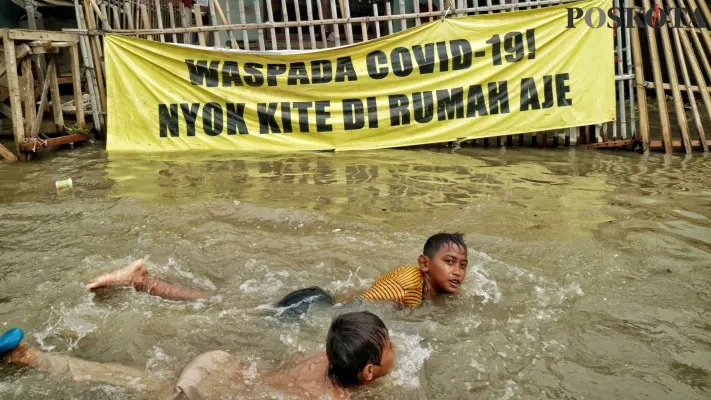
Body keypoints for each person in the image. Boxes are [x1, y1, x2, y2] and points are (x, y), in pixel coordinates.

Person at [0, 311, 395, 399]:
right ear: (367, 372)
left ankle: (28, 356)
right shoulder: (333, 396)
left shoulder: (325, 353)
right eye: (390, 344)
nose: (395, 347)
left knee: (130, 378)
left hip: (218, 364)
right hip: (209, 393)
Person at [85, 232, 469, 311]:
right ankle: (143, 282)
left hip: (321, 298)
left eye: (462, 266)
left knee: (223, 303)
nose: (457, 272)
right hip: (316, 308)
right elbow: (365, 311)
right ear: (424, 264)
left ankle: (143, 282)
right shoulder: (410, 285)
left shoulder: (415, 281)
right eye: (448, 262)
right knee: (221, 310)